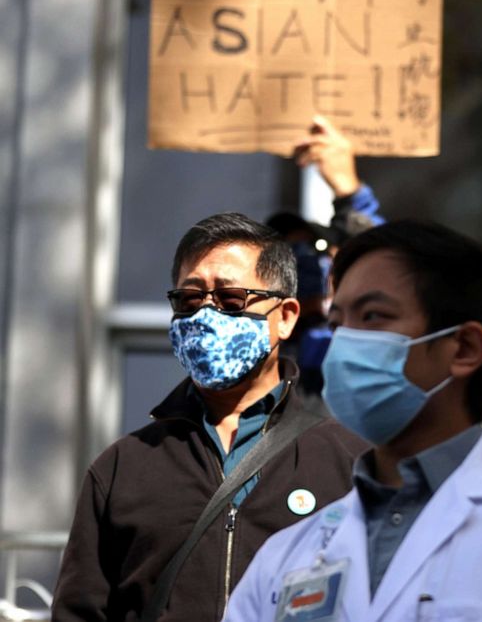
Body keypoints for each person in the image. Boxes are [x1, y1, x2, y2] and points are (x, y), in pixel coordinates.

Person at [223, 220, 482, 622]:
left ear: (464, 348)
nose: (343, 344)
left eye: (372, 317)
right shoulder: (288, 554)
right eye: (337, 324)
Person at [52, 213, 366, 622]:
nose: (205, 315)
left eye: (231, 300)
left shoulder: (348, 461)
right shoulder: (122, 468)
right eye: (189, 299)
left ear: (285, 316)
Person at [267, 115, 386, 408]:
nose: (302, 258)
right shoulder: (259, 347)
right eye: (288, 250)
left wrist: (350, 192)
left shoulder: (348, 336)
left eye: (314, 247)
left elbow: (384, 260)